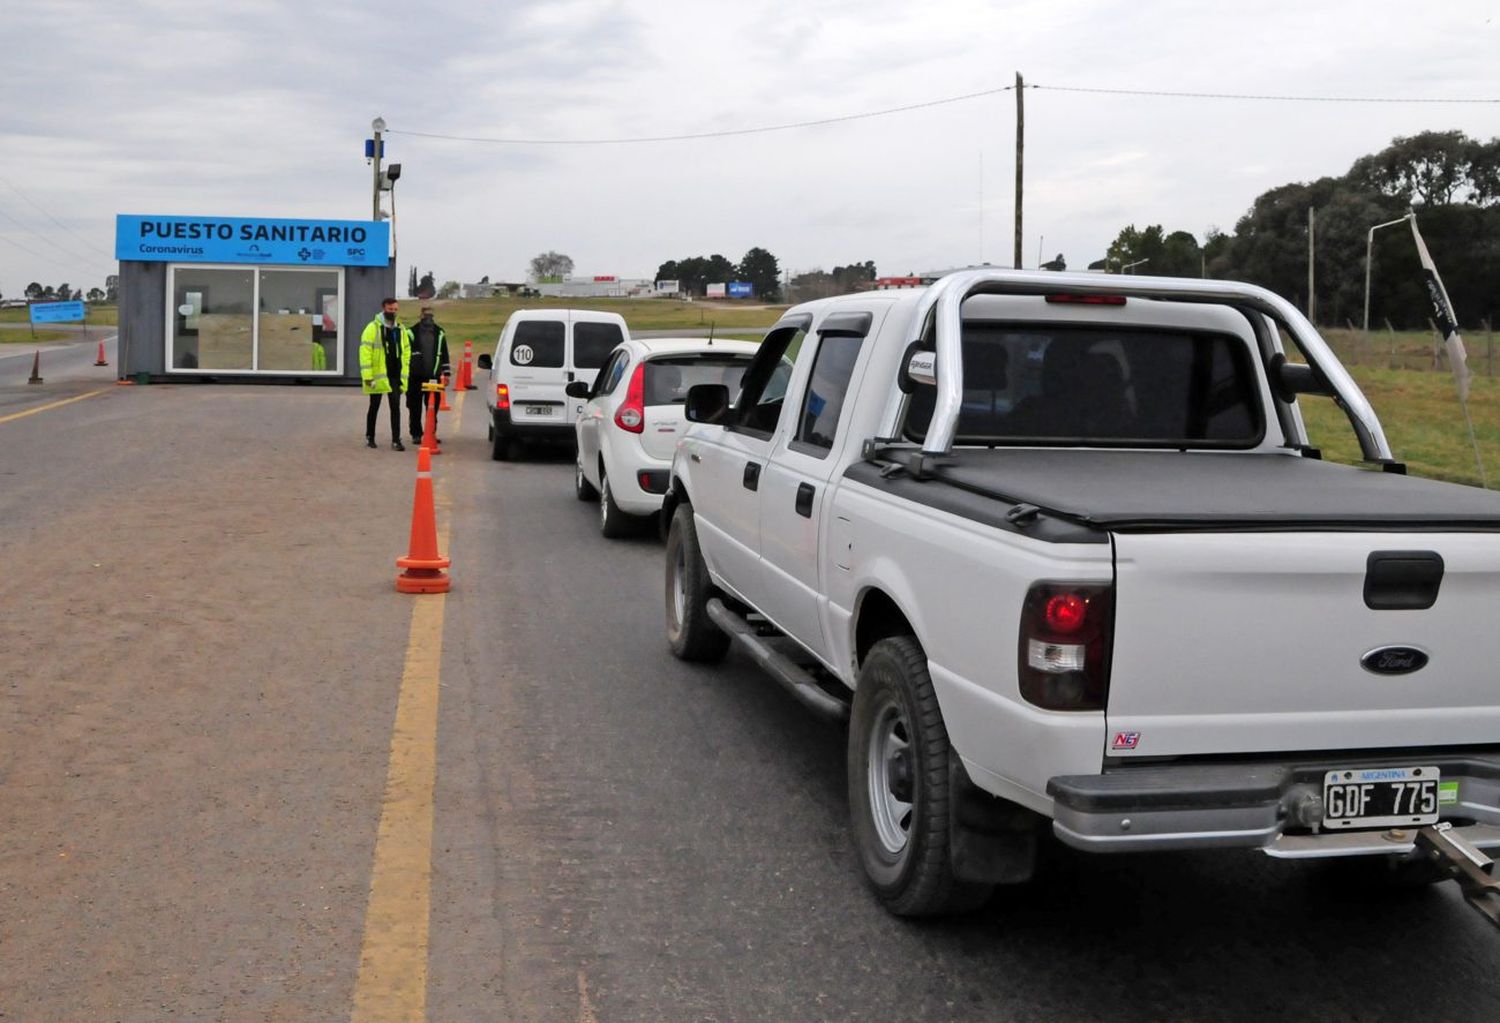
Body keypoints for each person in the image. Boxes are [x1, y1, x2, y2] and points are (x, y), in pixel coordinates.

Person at [360, 297, 411, 450]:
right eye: (390, 309)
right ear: (384, 308)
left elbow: (406, 352)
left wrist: (404, 375)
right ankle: (370, 436)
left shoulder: (401, 329)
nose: (393, 312)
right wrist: (367, 376)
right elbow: (365, 352)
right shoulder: (372, 328)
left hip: (395, 375)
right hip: (377, 375)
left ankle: (396, 440)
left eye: (395, 309)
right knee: (374, 406)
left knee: (395, 407)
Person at [407, 305, 450, 444]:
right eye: (426, 315)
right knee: (414, 406)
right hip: (415, 377)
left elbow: (444, 353)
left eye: (431, 315)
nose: (428, 318)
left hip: (433, 377)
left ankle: (431, 433)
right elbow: (405, 354)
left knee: (433, 406)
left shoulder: (439, 332)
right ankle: (416, 434)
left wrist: (446, 373)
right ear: (420, 315)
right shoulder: (411, 332)